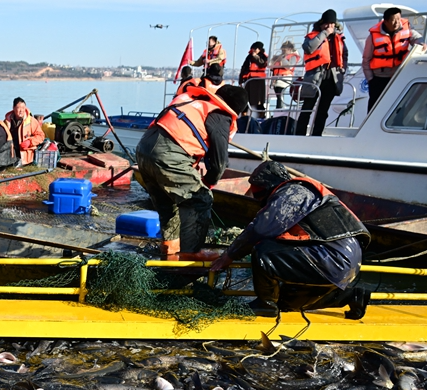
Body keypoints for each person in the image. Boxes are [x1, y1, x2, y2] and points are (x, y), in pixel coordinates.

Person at [210, 161, 371, 319]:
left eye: (258, 194)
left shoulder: (293, 191)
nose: (259, 201)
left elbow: (260, 229)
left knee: (263, 251)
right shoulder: (304, 192)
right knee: (285, 302)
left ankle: (265, 304)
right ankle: (352, 296)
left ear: (269, 185)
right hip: (346, 263)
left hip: (331, 256)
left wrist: (229, 255)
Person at [136, 85, 248, 257]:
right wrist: (208, 183)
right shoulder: (220, 115)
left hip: (144, 149)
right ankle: (190, 260)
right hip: (167, 154)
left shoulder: (192, 102)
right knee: (200, 201)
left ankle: (169, 252)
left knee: (169, 205)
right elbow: (219, 163)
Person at [296, 9, 348, 136]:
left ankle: (316, 135)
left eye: (332, 24)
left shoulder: (339, 38)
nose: (330, 26)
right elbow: (308, 48)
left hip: (332, 77)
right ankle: (299, 134)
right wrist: (324, 33)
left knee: (323, 110)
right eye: (327, 23)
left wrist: (343, 69)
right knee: (307, 108)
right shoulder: (313, 36)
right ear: (322, 23)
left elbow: (345, 54)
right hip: (315, 76)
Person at [363, 7, 426, 110]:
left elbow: (417, 38)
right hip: (379, 77)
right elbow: (366, 59)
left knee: (398, 107)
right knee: (375, 107)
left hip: (399, 74)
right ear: (386, 21)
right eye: (393, 20)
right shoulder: (372, 37)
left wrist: (421, 43)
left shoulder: (407, 29)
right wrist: (370, 79)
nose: (397, 22)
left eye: (398, 19)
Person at [4, 97, 45, 167]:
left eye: (23, 108)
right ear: (13, 108)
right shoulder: (7, 121)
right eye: (19, 108)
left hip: (25, 152)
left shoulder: (31, 120)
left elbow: (41, 136)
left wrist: (30, 141)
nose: (21, 110)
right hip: (11, 149)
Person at [239, 41, 268, 118]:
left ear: (260, 49)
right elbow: (243, 68)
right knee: (246, 97)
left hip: (258, 81)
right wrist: (240, 80)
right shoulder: (249, 57)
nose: (254, 50)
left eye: (256, 49)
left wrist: (256, 57)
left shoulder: (263, 56)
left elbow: (262, 63)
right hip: (249, 80)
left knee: (259, 99)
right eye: (253, 49)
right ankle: (244, 114)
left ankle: (261, 114)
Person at [270, 41, 301, 108]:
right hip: (276, 79)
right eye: (282, 50)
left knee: (281, 95)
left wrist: (283, 60)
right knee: (278, 96)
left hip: (284, 78)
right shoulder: (281, 56)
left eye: (284, 50)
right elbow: (271, 67)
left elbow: (290, 66)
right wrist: (274, 60)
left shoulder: (293, 56)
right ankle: (279, 109)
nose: (283, 51)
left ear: (290, 49)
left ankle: (280, 109)